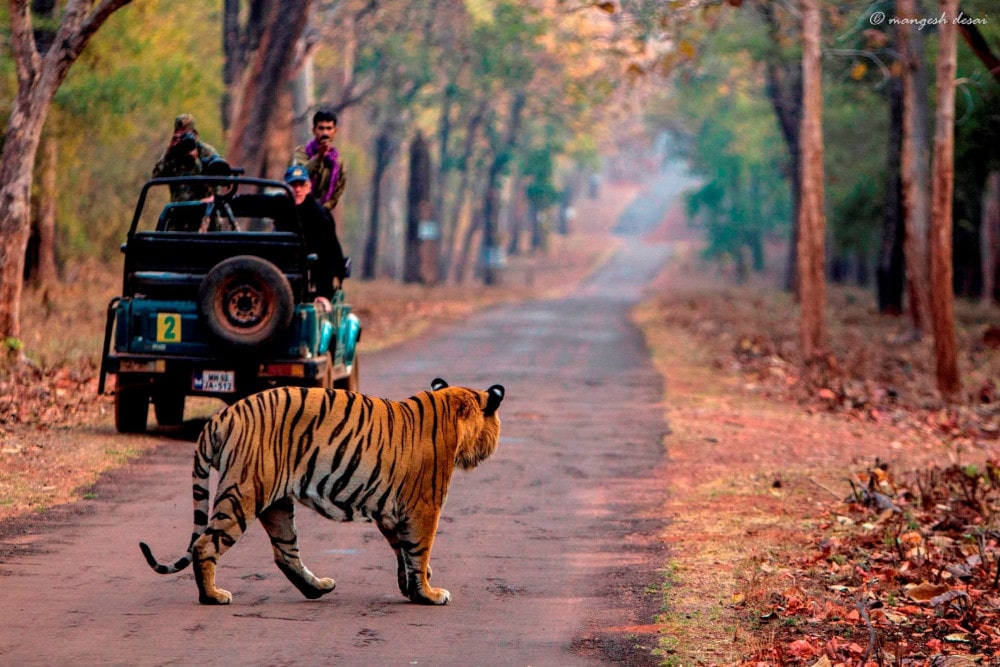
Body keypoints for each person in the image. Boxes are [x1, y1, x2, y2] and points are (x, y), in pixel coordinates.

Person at [284, 164, 347, 298]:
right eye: (293, 185)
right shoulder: (281, 204)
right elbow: (256, 203)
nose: (297, 189)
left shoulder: (319, 214)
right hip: (284, 267)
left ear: (308, 187)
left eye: (301, 185)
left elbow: (330, 249)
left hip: (314, 265)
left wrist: (325, 292)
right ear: (287, 188)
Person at [153, 114, 220, 202]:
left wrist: (195, 160)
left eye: (187, 134)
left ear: (195, 134)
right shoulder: (174, 154)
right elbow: (156, 176)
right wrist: (169, 149)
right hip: (178, 210)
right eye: (181, 134)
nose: (185, 139)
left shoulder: (207, 152)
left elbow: (217, 184)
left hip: (205, 209)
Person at [292, 108, 346, 212]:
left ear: (335, 131)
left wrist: (322, 210)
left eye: (329, 128)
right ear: (314, 130)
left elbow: (338, 190)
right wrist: (320, 156)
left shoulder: (338, 161)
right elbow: (300, 176)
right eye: (321, 128)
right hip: (299, 210)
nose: (325, 132)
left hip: (322, 213)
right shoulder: (301, 152)